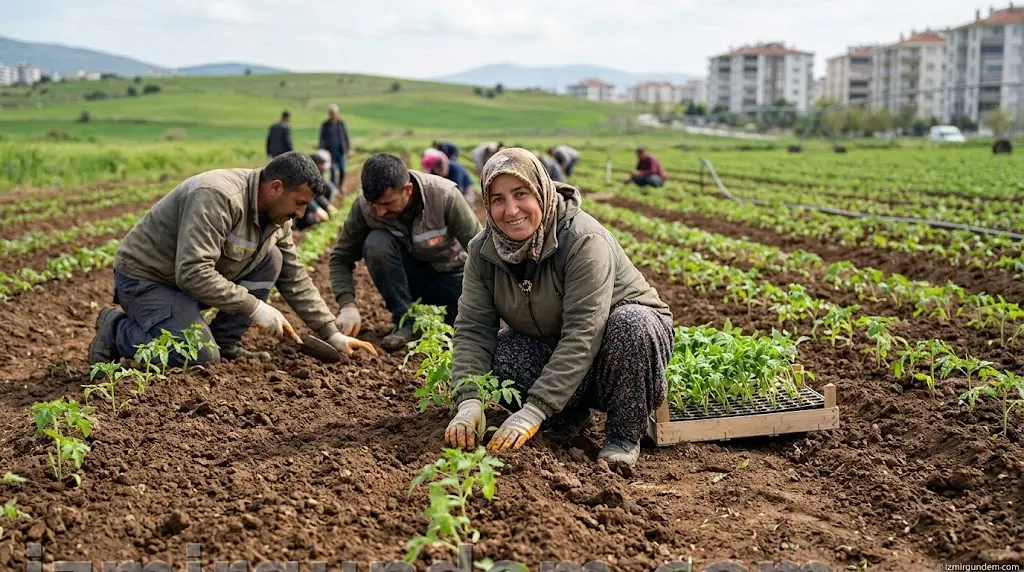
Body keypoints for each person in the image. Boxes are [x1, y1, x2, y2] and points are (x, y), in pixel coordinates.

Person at [443, 148, 674, 467]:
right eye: (497, 199)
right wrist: (468, 400)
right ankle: (568, 415)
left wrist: (534, 409)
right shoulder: (483, 251)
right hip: (561, 350)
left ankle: (623, 434)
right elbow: (472, 330)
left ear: (541, 190)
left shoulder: (582, 240)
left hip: (619, 354)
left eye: (521, 194)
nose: (511, 210)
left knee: (632, 323)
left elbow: (584, 333)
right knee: (505, 350)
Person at [88, 152, 377, 367]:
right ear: (276, 187)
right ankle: (116, 329)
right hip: (149, 280)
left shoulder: (279, 218)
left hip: (189, 283)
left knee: (273, 259)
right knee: (196, 356)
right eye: (299, 203)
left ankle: (226, 342)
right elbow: (192, 272)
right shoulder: (218, 196)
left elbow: (294, 277)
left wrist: (331, 333)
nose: (302, 214)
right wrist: (254, 307)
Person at [329, 153, 482, 352]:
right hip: (409, 280)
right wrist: (347, 305)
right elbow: (341, 257)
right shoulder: (365, 207)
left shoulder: (443, 195)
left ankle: (454, 322)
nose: (380, 212)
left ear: (407, 190)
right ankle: (406, 322)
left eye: (387, 204)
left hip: (450, 276)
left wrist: (492, 308)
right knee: (376, 243)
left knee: (460, 330)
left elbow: (480, 251)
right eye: (375, 204)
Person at [293, 151, 341, 231]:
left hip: (309, 203)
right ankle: (301, 224)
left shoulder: (317, 175)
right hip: (298, 207)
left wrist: (327, 206)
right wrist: (317, 209)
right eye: (322, 164)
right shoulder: (304, 177)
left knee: (328, 188)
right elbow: (304, 196)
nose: (324, 168)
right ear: (316, 164)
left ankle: (320, 214)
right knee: (310, 219)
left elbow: (318, 195)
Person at [318, 104, 353, 187]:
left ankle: (340, 186)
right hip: (329, 151)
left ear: (337, 113)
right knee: (332, 171)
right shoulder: (325, 125)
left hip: (340, 150)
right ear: (329, 114)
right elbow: (321, 138)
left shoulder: (341, 124)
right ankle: (334, 188)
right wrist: (321, 150)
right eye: (331, 113)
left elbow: (346, 137)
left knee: (342, 170)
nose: (332, 114)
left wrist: (349, 149)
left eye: (334, 113)